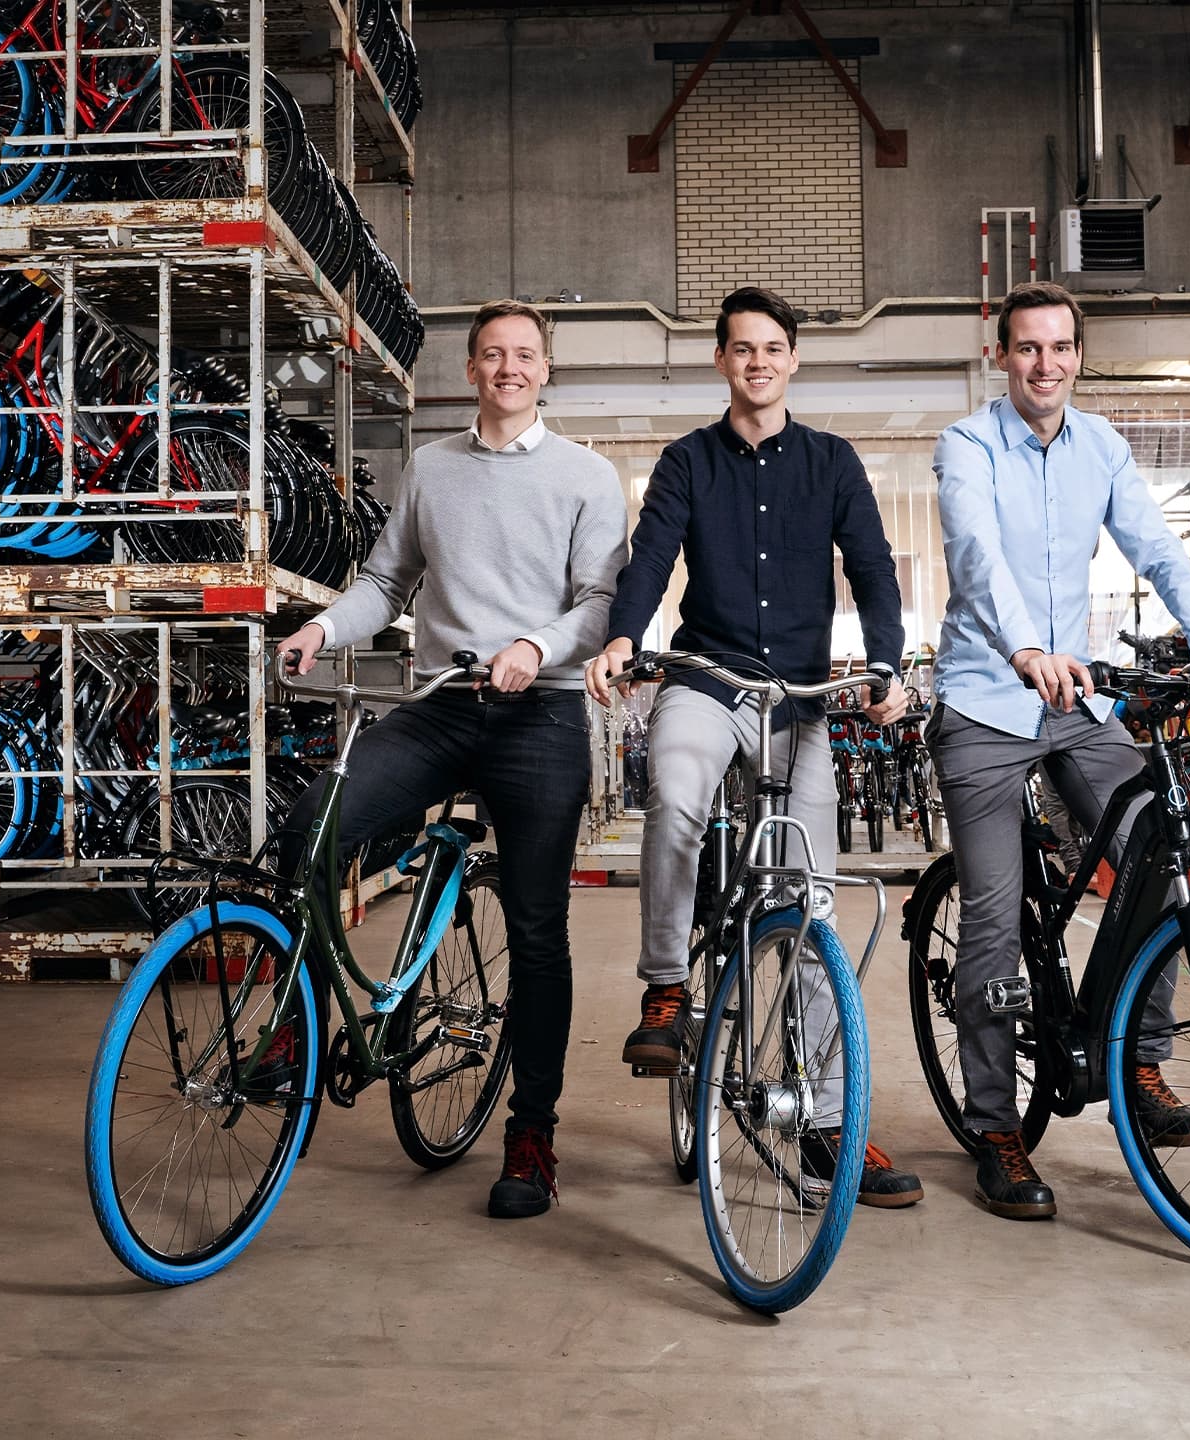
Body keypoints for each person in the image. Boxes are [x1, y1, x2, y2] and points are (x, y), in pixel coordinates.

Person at [929, 281, 1190, 1221]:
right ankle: (996, 1124)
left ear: (1081, 355)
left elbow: (1159, 550)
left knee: (1161, 862)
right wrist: (1023, 649)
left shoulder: (1104, 449)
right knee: (996, 918)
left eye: (1062, 348)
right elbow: (974, 555)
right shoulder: (966, 445)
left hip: (1075, 699)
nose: (1046, 365)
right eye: (1028, 348)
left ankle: (1143, 1064)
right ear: (1002, 355)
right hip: (986, 697)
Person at [275, 299, 627, 1220]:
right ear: (470, 369)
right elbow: (388, 581)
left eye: (525, 355)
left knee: (539, 925)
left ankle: (532, 1130)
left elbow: (599, 602)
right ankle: (298, 1032)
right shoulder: (431, 467)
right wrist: (321, 625)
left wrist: (534, 649)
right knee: (315, 823)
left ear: (546, 371)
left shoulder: (589, 476)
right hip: (442, 705)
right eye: (492, 354)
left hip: (539, 714)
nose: (509, 367)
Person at [585, 286, 923, 1208]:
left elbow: (873, 568)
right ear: (724, 361)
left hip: (801, 698)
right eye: (742, 349)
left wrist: (886, 661)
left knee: (809, 904)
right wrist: (624, 636)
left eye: (773, 348)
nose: (758, 361)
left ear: (793, 360)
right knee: (680, 791)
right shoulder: (689, 460)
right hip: (708, 679)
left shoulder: (833, 462)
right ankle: (665, 990)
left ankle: (822, 1119)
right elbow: (651, 556)